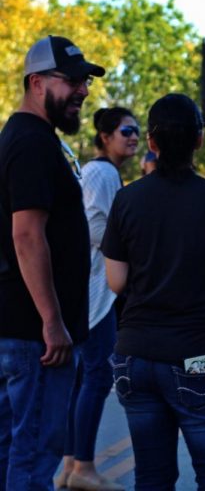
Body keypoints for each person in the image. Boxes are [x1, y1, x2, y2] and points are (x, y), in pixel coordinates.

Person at [101, 94, 205, 489]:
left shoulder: (126, 199)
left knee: (152, 475)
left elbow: (116, 282)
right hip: (195, 354)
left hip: (134, 355)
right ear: (199, 140)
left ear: (152, 142)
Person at [0, 35, 101, 489]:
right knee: (33, 456)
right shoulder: (32, 143)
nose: (82, 90)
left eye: (85, 82)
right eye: (73, 80)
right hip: (34, 337)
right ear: (36, 83)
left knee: (13, 452)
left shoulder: (27, 139)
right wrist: (52, 321)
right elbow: (26, 234)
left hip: (22, 332)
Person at [55, 108, 139, 491]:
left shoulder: (100, 172)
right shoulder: (102, 173)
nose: (134, 136)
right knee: (96, 374)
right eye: (127, 130)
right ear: (105, 135)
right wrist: (129, 242)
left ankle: (73, 465)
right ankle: (82, 465)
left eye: (137, 130)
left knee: (84, 378)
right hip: (96, 291)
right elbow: (93, 227)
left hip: (93, 288)